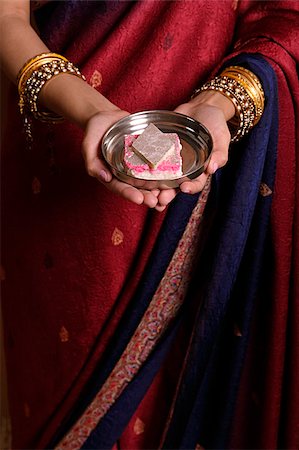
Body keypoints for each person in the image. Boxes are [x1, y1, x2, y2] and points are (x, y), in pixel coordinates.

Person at [0, 1, 298, 449]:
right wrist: (92, 112)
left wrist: (222, 100)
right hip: (66, 164)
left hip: (215, 173)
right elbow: (5, 17)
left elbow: (283, 14)